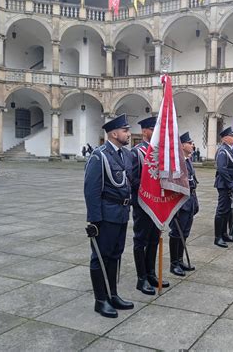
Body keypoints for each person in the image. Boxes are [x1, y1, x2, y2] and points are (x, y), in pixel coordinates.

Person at [84, 113, 134, 318]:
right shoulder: (99, 155)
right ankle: (101, 300)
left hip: (122, 213)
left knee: (116, 255)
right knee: (101, 257)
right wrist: (94, 220)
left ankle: (113, 294)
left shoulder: (125, 155)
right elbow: (91, 190)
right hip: (106, 215)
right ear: (114, 133)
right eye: (125, 130)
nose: (129, 134)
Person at [130, 117, 168, 297]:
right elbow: (132, 179)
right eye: (153, 129)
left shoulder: (161, 152)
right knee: (141, 240)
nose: (156, 133)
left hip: (157, 203)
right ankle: (141, 278)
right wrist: (149, 186)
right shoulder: (136, 152)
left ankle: (152, 273)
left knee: (154, 239)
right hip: (143, 203)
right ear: (144, 131)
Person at [168, 132, 199, 276]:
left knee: (184, 233)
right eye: (190, 142)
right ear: (182, 145)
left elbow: (193, 182)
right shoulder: (176, 162)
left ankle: (180, 260)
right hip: (180, 204)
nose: (192, 145)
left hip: (189, 202)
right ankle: (174, 264)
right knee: (176, 233)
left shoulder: (187, 160)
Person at [214, 127, 233, 248]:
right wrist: (230, 184)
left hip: (232, 184)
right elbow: (222, 169)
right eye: (232, 135)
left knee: (227, 210)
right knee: (222, 210)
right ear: (224, 138)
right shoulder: (222, 151)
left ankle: (224, 234)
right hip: (225, 185)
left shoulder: (231, 150)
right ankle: (217, 237)